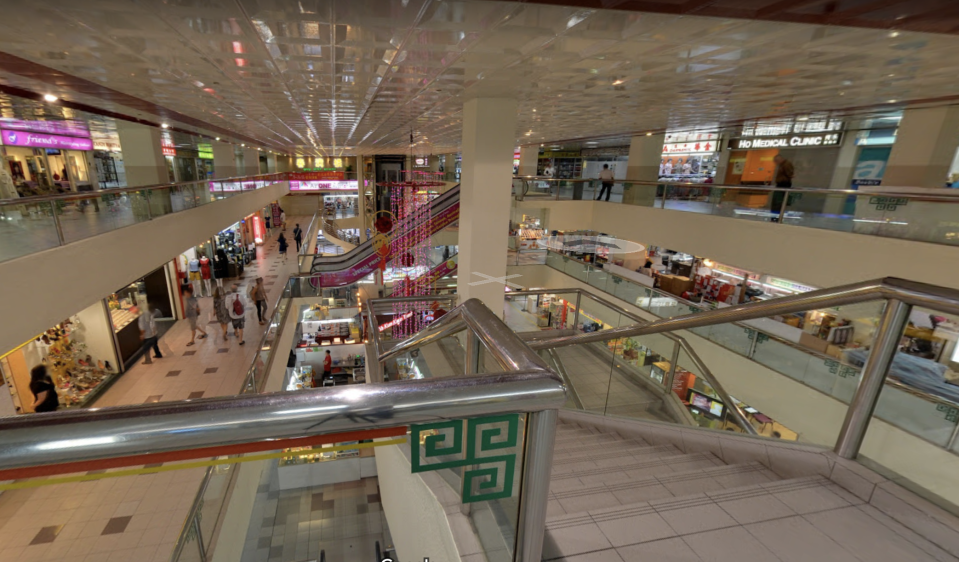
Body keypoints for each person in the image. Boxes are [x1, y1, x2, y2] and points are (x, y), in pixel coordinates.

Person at [770, 154, 795, 221]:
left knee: (778, 203)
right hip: (781, 185)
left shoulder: (786, 165)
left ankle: (776, 217)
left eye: (776, 161)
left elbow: (790, 174)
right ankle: (775, 217)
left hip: (783, 185)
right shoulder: (782, 165)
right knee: (777, 203)